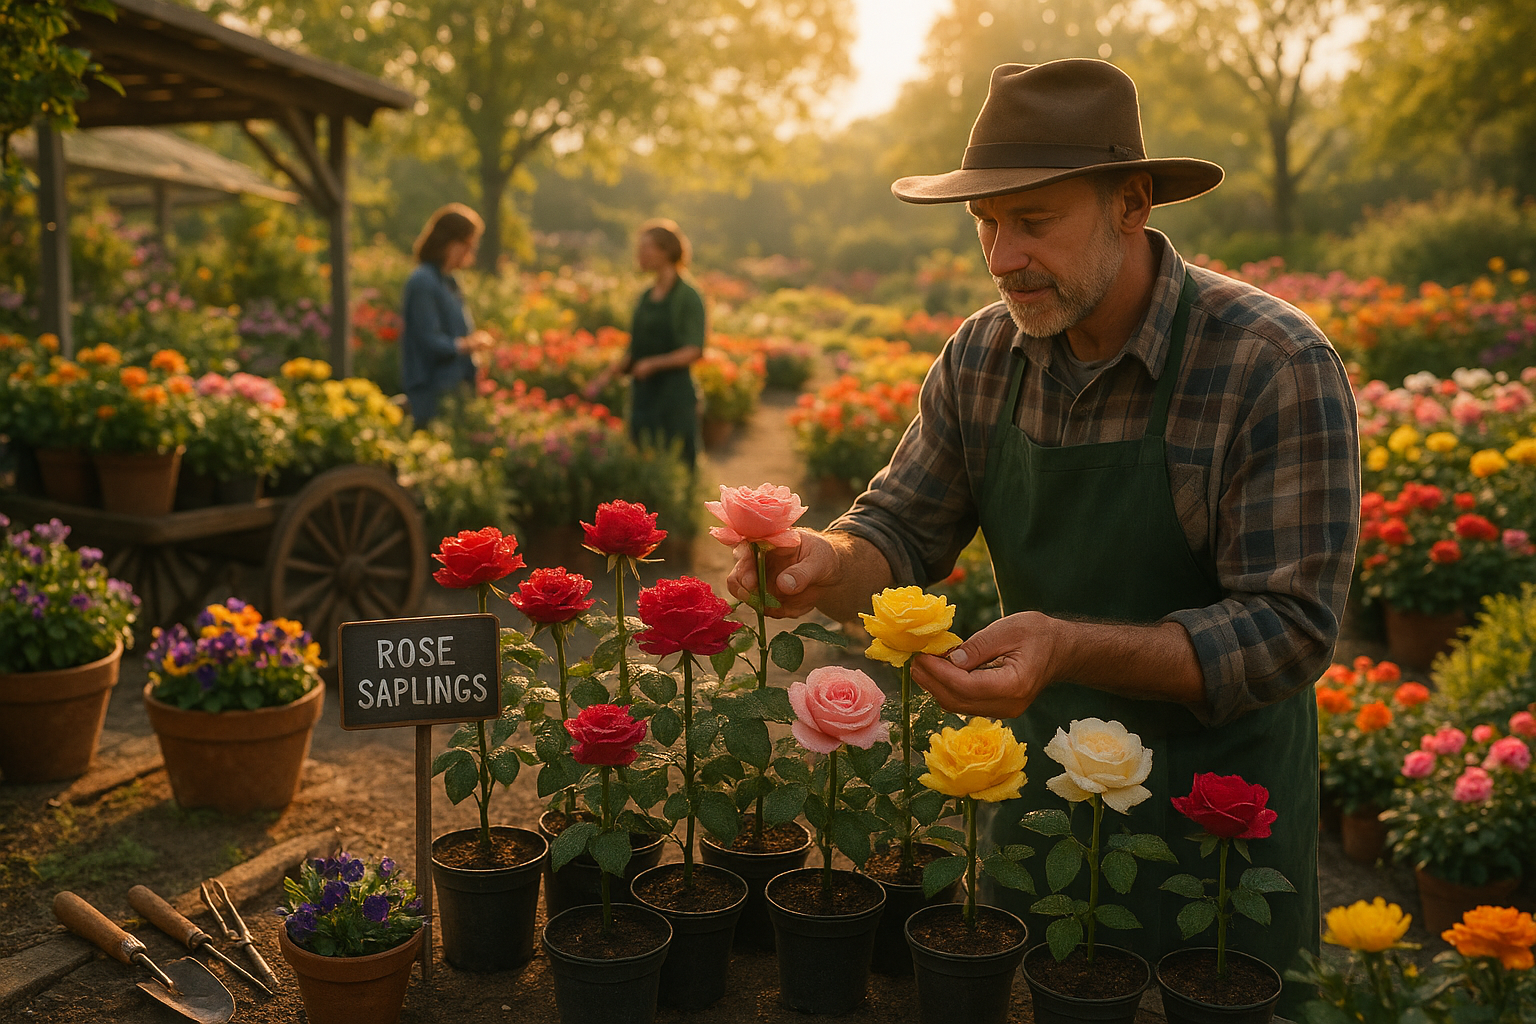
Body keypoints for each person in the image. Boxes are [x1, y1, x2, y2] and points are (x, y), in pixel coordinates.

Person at [727, 60, 1358, 1015]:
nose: (999, 256)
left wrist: (1067, 645)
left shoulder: (1270, 364)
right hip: (1044, 800)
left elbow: (1289, 628)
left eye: (1032, 220)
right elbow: (901, 524)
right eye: (984, 223)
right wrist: (826, 562)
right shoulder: (985, 355)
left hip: (1219, 817)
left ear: (1132, 203)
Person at [599, 219, 707, 469]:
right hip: (644, 394)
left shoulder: (688, 297)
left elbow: (693, 350)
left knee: (678, 459)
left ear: (666, 251)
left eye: (646, 248)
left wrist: (653, 364)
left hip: (673, 394)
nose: (640, 254)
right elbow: (635, 349)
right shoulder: (646, 296)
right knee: (641, 456)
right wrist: (609, 374)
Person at [400, 203, 494, 423]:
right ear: (452, 244)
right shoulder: (423, 281)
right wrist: (469, 344)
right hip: (432, 392)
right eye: (469, 245)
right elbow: (429, 341)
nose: (471, 253)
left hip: (453, 388)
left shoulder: (449, 281)